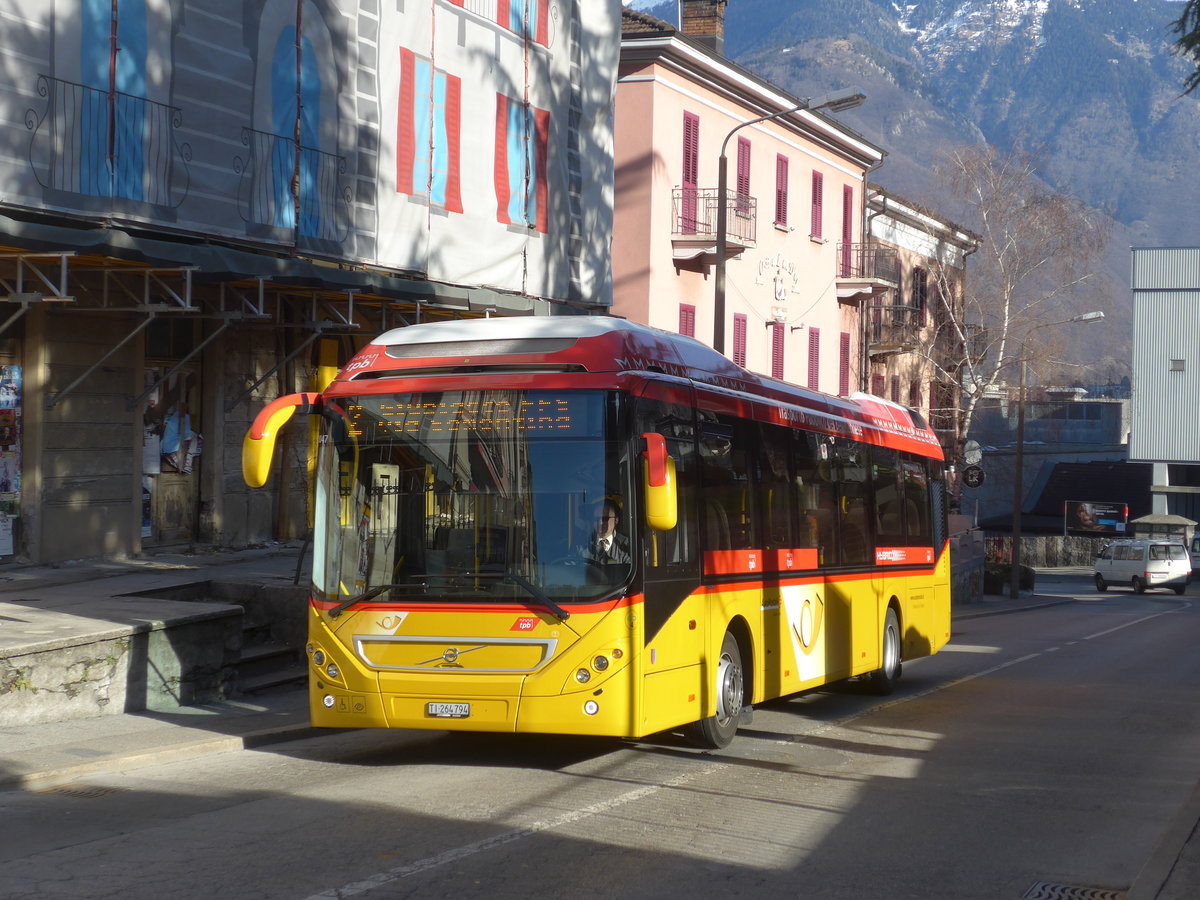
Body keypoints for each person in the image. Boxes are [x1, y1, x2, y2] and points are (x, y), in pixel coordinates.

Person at [583, 499, 631, 565]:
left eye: (605, 518)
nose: (600, 522)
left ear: (616, 520)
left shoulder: (627, 545)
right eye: (596, 518)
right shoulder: (582, 544)